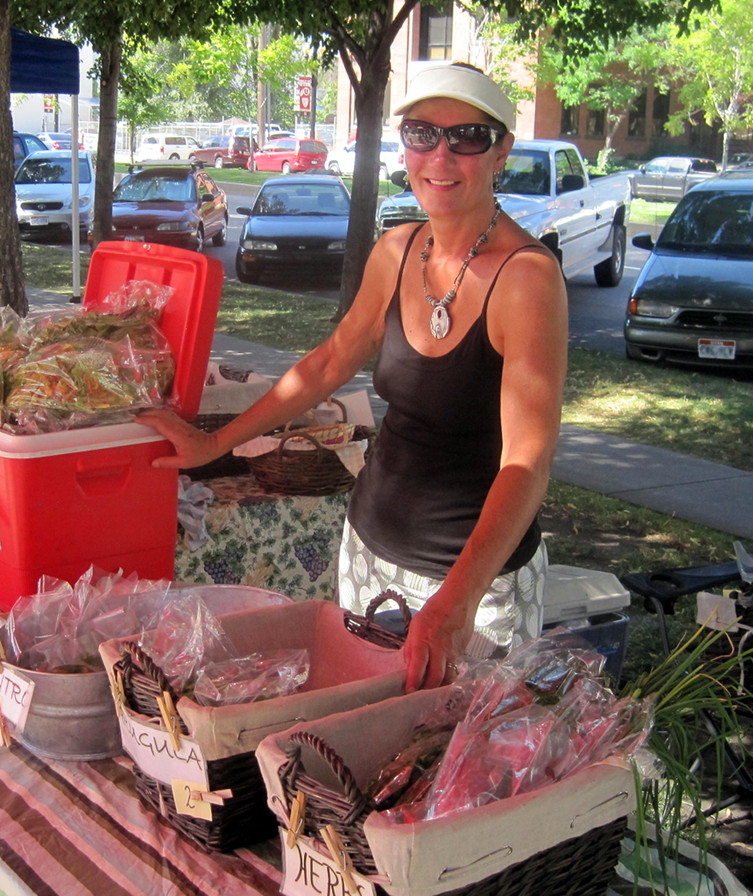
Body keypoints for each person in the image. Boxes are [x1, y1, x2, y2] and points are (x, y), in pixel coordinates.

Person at [139, 64, 568, 693]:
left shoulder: (527, 278)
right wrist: (213, 442)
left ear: (502, 149)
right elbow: (328, 364)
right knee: (364, 756)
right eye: (422, 134)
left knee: (457, 773)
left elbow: (526, 461)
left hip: (477, 583)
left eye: (468, 136)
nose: (441, 155)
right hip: (369, 553)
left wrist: (458, 600)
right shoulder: (396, 250)